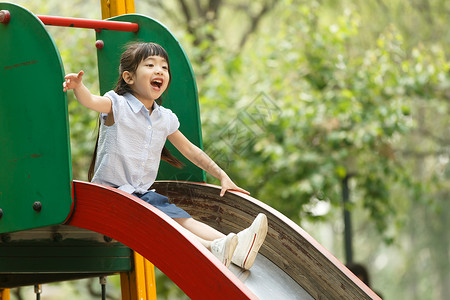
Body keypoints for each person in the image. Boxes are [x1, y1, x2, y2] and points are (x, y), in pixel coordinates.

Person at [63, 42, 267, 270]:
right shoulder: (117, 105)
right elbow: (91, 101)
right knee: (166, 221)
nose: (159, 70)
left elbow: (191, 150)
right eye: (150, 65)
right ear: (129, 77)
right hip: (112, 196)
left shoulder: (164, 118)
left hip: (141, 195)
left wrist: (222, 175)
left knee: (183, 218)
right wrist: (79, 87)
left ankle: (237, 249)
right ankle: (212, 249)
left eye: (164, 67)